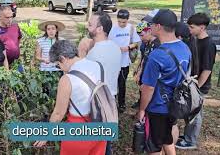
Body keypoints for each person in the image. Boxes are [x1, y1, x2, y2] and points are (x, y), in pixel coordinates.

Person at [34, 40, 106, 155]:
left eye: (58, 65)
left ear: (63, 58)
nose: (61, 68)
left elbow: (58, 113)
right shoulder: (97, 65)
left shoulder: (67, 79)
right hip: (100, 123)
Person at [138, 9, 191, 155]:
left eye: (152, 24)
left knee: (154, 146)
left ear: (158, 26)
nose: (150, 27)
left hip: (158, 108)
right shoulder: (185, 48)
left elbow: (148, 88)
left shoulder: (157, 55)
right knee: (167, 138)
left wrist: (142, 109)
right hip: (176, 104)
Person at [78, 11, 121, 155]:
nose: (87, 26)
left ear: (100, 29)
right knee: (105, 142)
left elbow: (80, 78)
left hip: (96, 103)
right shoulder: (115, 47)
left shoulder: (94, 54)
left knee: (94, 144)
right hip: (111, 99)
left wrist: (82, 52)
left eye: (90, 25)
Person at [176, 13, 216, 150]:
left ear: (202, 27)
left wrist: (197, 87)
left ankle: (190, 140)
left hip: (199, 86)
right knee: (189, 110)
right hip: (190, 83)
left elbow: (207, 69)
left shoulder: (209, 44)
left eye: (192, 27)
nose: (189, 29)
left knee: (195, 113)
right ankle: (187, 135)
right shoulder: (194, 40)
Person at [108, 9, 141, 113]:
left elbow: (136, 43)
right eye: (119, 21)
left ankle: (121, 104)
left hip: (125, 62)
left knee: (122, 84)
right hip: (113, 61)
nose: (121, 24)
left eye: (124, 22)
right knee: (112, 84)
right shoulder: (112, 29)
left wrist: (128, 47)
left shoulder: (131, 28)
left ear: (127, 20)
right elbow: (107, 43)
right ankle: (111, 103)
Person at [132, 21, 160, 109]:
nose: (140, 38)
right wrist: (139, 73)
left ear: (149, 31)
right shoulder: (147, 43)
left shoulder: (157, 45)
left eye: (142, 35)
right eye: (139, 36)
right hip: (144, 75)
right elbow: (144, 58)